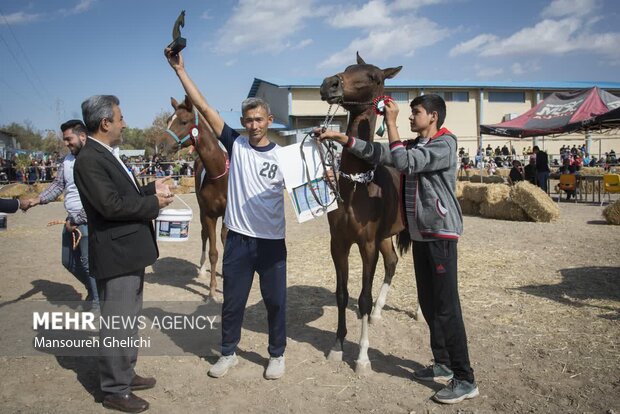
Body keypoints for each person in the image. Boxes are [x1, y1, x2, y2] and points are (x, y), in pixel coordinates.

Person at [318, 94, 478, 405]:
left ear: (432, 116)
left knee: (446, 308)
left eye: (415, 112)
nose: (409, 116)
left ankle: (465, 378)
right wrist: (342, 139)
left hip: (441, 234)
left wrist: (389, 122)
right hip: (420, 234)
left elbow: (404, 161)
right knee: (429, 302)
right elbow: (378, 152)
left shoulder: (445, 144)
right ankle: (442, 363)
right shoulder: (416, 144)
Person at [165, 48, 288, 381]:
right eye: (248, 120)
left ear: (269, 122)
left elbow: (310, 188)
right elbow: (203, 107)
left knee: (276, 302)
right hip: (238, 241)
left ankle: (276, 354)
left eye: (259, 120)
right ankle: (228, 353)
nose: (253, 125)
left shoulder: (284, 156)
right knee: (232, 302)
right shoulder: (236, 144)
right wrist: (180, 71)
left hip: (272, 243)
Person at [74, 95, 174, 413]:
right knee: (117, 323)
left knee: (128, 320)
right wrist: (153, 204)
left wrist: (151, 189)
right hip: (116, 254)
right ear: (105, 123)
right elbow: (111, 206)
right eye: (120, 118)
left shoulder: (105, 154)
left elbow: (124, 194)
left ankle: (126, 374)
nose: (124, 123)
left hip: (127, 252)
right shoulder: (90, 160)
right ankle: (115, 389)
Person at [22, 120, 99, 310]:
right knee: (68, 261)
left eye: (68, 139)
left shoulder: (95, 159)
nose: (66, 143)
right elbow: (58, 185)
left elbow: (96, 196)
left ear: (82, 136)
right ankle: (93, 290)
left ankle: (98, 303)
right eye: (64, 140)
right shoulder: (67, 161)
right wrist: (36, 200)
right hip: (71, 219)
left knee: (88, 264)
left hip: (86, 220)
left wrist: (77, 219)